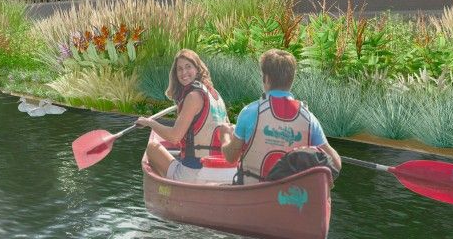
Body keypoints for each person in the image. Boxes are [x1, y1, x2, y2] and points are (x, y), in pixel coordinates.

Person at [223, 49, 341, 184]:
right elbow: (336, 165)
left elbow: (231, 157)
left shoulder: (249, 112)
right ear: (292, 79)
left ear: (265, 78)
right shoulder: (309, 119)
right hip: (292, 199)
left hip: (253, 196)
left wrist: (225, 136)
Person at [138, 49, 231, 183]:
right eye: (179, 69)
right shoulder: (215, 95)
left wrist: (149, 122)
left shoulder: (193, 97)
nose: (183, 72)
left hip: (194, 173)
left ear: (197, 69)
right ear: (175, 74)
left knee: (152, 148)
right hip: (219, 171)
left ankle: (170, 189)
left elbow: (174, 137)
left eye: (188, 67)